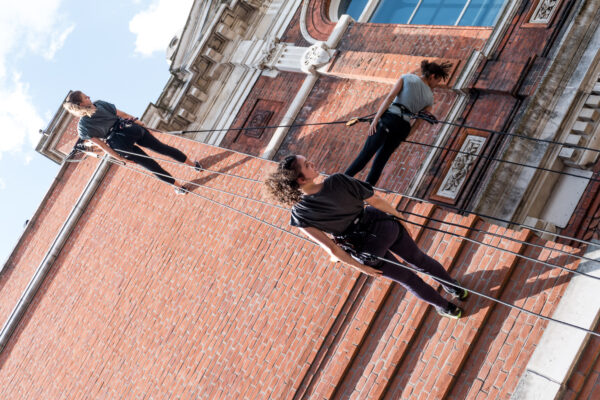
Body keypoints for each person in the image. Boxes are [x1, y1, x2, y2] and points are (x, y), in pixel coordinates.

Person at [265, 155, 468, 318]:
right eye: (307, 164)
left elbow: (332, 249)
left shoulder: (299, 215)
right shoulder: (338, 180)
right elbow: (376, 201)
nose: (312, 163)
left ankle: (448, 308)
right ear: (301, 179)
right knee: (419, 259)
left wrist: (361, 268)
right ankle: (455, 289)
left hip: (365, 248)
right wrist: (400, 219)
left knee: (408, 279)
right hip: (382, 225)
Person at [63, 90, 201, 194]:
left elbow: (102, 145)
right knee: (162, 148)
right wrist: (140, 123)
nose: (89, 97)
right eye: (86, 97)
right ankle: (193, 165)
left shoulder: (82, 128)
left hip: (119, 144)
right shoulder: (100, 104)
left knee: (151, 165)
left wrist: (119, 157)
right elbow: (122, 115)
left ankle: (179, 187)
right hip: (130, 129)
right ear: (81, 103)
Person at [345, 60, 452, 185]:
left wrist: (376, 119)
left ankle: (339, 182)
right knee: (381, 161)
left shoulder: (407, 78)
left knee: (366, 154)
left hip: (389, 119)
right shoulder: (430, 98)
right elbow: (418, 122)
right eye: (438, 81)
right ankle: (367, 189)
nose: (436, 85)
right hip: (403, 128)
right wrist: (405, 136)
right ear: (433, 75)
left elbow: (390, 97)